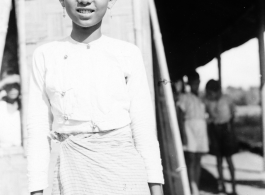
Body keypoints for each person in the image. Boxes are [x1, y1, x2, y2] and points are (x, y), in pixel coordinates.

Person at [27, 0, 164, 195]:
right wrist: (36, 190)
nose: (84, 0)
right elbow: (37, 128)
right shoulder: (46, 55)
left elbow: (144, 129)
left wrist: (156, 188)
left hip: (126, 177)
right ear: (61, 0)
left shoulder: (128, 54)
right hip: (72, 175)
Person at [177, 71, 208, 195]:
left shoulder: (201, 98)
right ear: (189, 83)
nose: (196, 85)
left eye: (198, 82)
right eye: (194, 82)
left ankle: (196, 185)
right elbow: (180, 116)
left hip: (201, 130)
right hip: (189, 128)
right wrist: (183, 133)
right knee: (191, 159)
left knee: (198, 159)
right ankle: (192, 188)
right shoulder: (185, 97)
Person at [205, 79, 237, 195]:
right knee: (218, 159)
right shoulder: (208, 101)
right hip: (215, 130)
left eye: (211, 92)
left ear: (217, 91)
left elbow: (233, 113)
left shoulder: (227, 99)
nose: (210, 95)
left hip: (226, 129)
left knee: (228, 159)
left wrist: (229, 129)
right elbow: (207, 115)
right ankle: (221, 185)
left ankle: (233, 188)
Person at [0, 75, 21, 148]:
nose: (13, 89)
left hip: (21, 150)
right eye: (9, 86)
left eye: (15, 86)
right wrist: (4, 82)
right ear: (4, 87)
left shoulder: (24, 106)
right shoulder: (1, 105)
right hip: (3, 151)